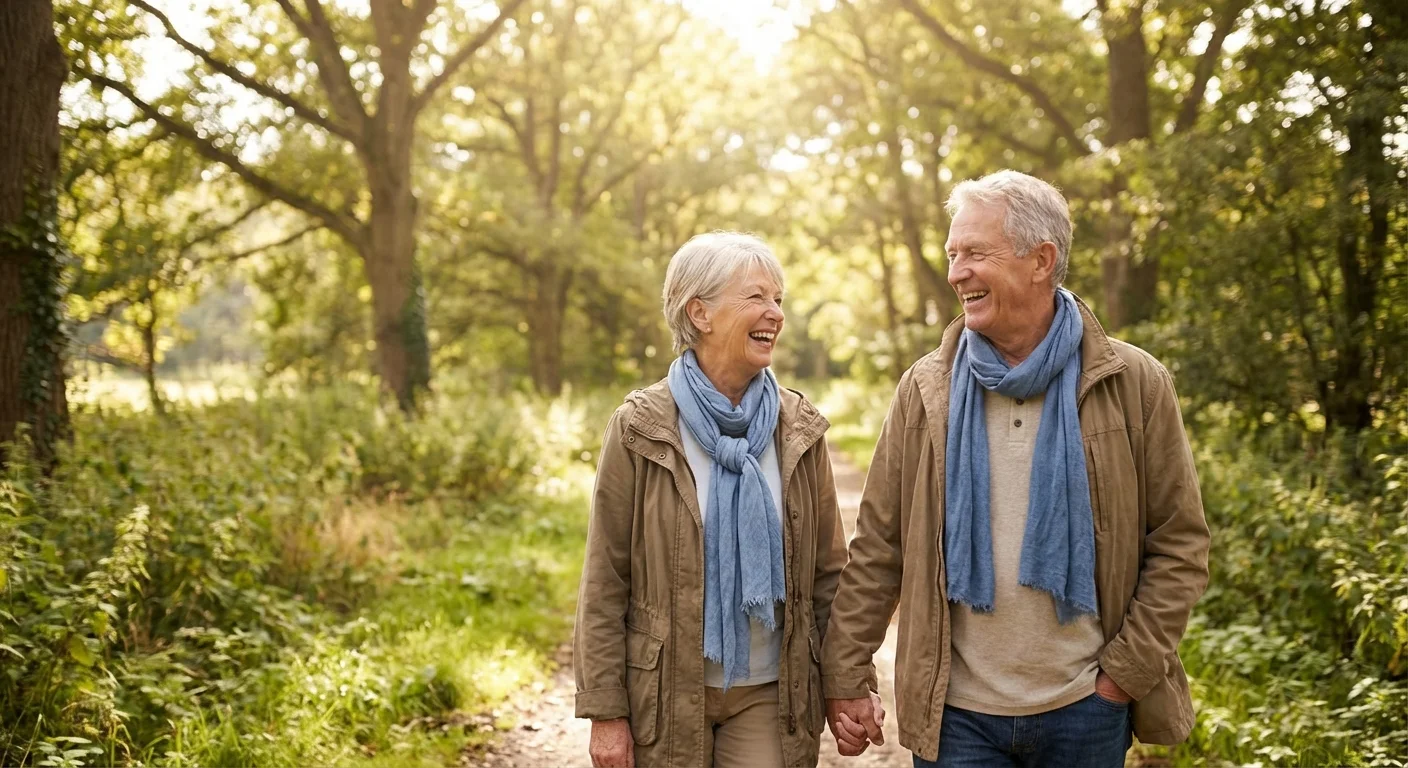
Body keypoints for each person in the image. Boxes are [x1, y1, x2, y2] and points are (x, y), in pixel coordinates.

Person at [821, 171, 1211, 767]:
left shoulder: (1134, 383)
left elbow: (1179, 545)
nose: (956, 272)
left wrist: (1121, 679)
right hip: (957, 718)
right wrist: (847, 672)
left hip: (1086, 707)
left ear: (1041, 260)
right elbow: (881, 544)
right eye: (953, 254)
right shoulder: (927, 389)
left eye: (975, 252)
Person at [574, 231, 864, 768]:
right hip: (664, 690)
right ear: (700, 313)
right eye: (756, 297)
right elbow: (605, 578)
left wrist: (848, 683)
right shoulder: (641, 426)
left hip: (770, 690)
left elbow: (830, 574)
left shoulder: (797, 427)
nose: (774, 313)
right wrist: (605, 713)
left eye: (778, 299)